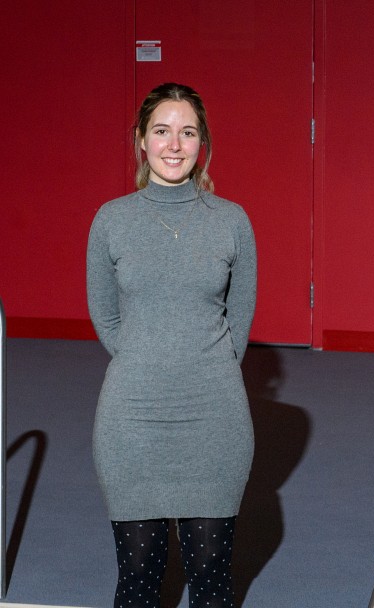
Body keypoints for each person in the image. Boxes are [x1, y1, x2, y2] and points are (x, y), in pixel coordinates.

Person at [86, 82, 257, 608]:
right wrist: (147, 361)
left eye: (188, 132)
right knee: (138, 579)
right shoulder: (112, 219)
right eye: (162, 131)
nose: (174, 145)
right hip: (132, 421)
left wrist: (201, 369)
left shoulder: (231, 220)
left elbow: (239, 325)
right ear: (141, 140)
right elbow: (106, 319)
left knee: (211, 580)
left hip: (215, 419)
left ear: (203, 142)